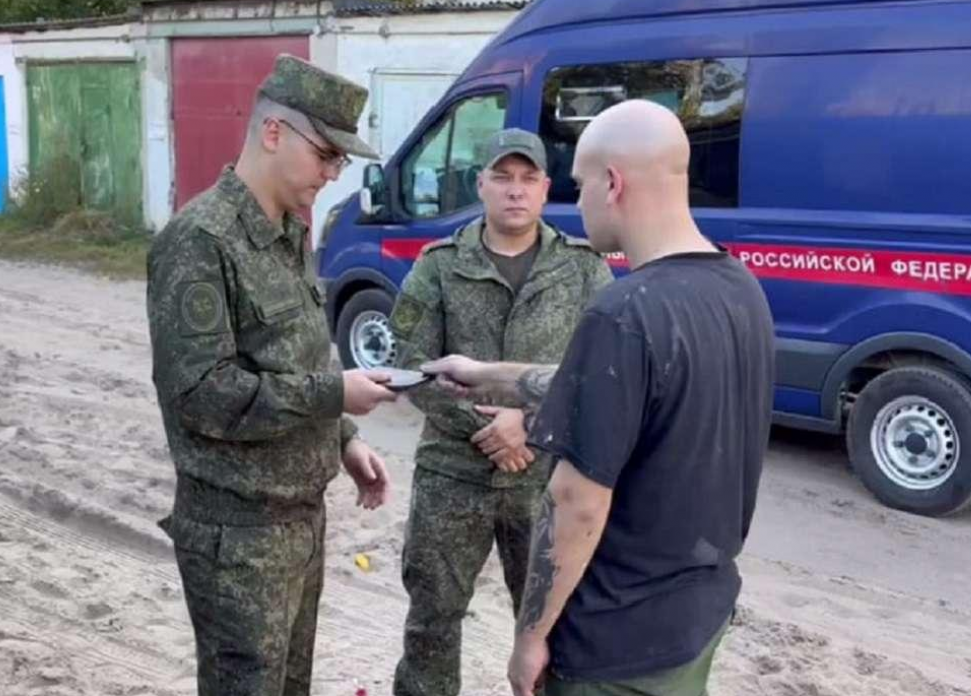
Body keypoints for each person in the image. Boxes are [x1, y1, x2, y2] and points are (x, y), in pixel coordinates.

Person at [423, 100, 776, 696]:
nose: (577, 200)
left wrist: (530, 637)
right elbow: (615, 386)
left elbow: (575, 503)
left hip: (613, 646)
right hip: (694, 619)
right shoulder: (738, 288)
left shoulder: (623, 312)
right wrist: (485, 375)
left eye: (580, 183)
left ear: (612, 183)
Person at [146, 54, 398, 696]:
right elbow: (202, 395)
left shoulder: (288, 232)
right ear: (273, 132)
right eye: (326, 154)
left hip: (298, 522)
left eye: (340, 161)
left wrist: (343, 436)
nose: (333, 173)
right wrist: (334, 394)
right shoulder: (200, 241)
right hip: (237, 534)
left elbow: (298, 356)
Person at [390, 128, 613, 696]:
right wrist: (489, 430)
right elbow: (412, 363)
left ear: (545, 189)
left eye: (528, 178)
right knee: (431, 623)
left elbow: (606, 372)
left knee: (552, 628)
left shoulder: (583, 268)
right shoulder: (440, 265)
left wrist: (530, 426)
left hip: (546, 480)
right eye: (503, 177)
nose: (516, 190)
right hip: (451, 475)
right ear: (480, 185)